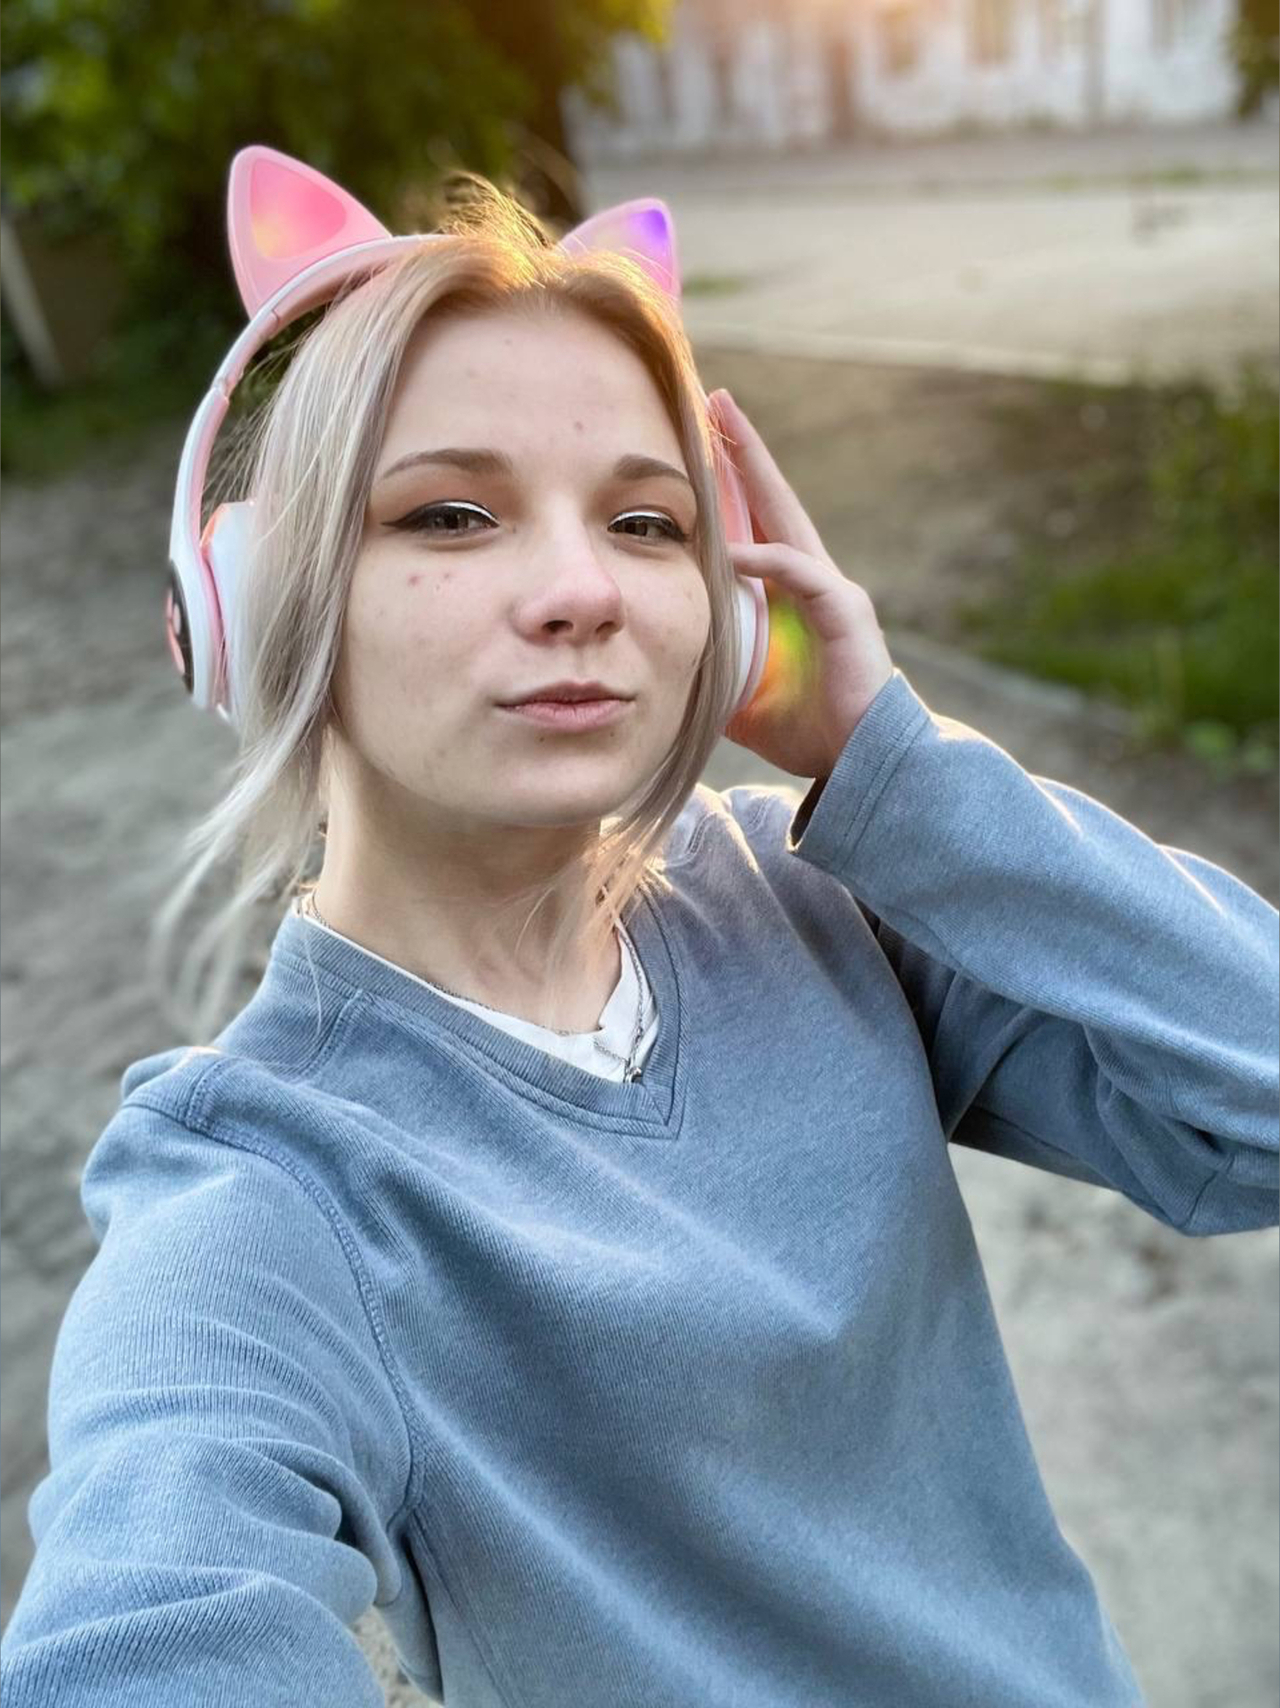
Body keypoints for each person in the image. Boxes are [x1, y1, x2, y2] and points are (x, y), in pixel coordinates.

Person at [2, 152, 1276, 1708]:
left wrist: (891, 766)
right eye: (451, 513)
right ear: (255, 598)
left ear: (730, 612)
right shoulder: (268, 1189)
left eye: (649, 523)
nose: (580, 589)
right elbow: (148, 1624)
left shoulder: (825, 901)